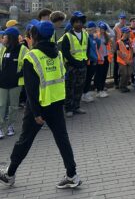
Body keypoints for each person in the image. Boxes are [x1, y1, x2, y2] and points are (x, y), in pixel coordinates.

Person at [0, 21, 81, 189]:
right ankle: (72, 175)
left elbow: (30, 90)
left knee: (25, 140)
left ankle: (10, 173)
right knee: (62, 139)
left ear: (34, 36)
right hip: (57, 103)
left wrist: (36, 113)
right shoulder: (57, 54)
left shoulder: (32, 56)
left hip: (39, 106)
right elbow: (62, 76)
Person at [0, 28, 29, 139]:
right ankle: (1, 128)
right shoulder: (3, 49)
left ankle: (10, 126)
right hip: (2, 83)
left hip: (15, 83)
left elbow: (27, 65)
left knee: (13, 106)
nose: (3, 38)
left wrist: (18, 75)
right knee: (1, 105)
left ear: (10, 37)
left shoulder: (23, 49)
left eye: (5, 36)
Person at [61, 11, 89, 117]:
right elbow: (66, 53)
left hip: (82, 65)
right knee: (69, 88)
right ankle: (68, 108)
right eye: (76, 22)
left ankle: (77, 106)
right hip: (71, 66)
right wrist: (75, 62)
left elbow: (87, 48)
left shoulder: (85, 34)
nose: (79, 24)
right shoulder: (67, 36)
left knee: (79, 87)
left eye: (81, 22)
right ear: (72, 23)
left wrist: (85, 61)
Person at [82, 22, 100, 103]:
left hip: (93, 60)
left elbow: (98, 46)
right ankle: (83, 94)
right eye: (92, 29)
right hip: (89, 61)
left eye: (94, 29)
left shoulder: (93, 37)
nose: (94, 30)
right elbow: (88, 50)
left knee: (89, 78)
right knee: (86, 78)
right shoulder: (86, 37)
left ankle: (86, 93)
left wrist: (96, 38)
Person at [94, 22, 111, 98]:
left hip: (106, 57)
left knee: (104, 74)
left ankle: (101, 89)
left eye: (104, 29)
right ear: (99, 28)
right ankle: (98, 90)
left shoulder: (106, 36)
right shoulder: (96, 36)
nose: (102, 30)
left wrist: (107, 25)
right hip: (99, 58)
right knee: (99, 74)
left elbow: (113, 33)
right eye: (101, 28)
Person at [116, 27, 133, 93]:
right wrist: (126, 61)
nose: (128, 33)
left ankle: (125, 86)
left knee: (129, 74)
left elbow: (131, 50)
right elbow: (118, 53)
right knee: (124, 74)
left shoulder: (130, 41)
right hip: (122, 61)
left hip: (129, 60)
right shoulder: (119, 42)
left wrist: (130, 59)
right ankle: (121, 87)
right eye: (126, 32)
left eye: (128, 32)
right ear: (123, 33)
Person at [113, 14, 127, 89]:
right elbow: (114, 39)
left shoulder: (126, 28)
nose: (123, 20)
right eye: (121, 19)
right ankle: (116, 82)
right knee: (116, 66)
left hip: (124, 51)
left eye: (124, 19)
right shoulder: (115, 28)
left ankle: (122, 81)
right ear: (119, 19)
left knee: (123, 66)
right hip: (118, 50)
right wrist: (115, 50)